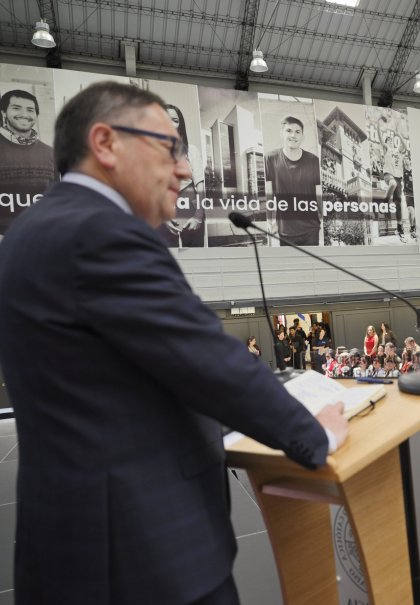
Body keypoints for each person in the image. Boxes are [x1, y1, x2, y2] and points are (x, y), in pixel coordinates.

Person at [0, 82, 349, 605]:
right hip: (142, 557)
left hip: (75, 549)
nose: (184, 169)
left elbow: (114, 385)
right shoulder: (98, 231)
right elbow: (206, 360)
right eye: (169, 148)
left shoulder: (32, 230)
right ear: (105, 143)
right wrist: (313, 434)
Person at [0, 89, 59, 234]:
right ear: (3, 112)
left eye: (30, 110)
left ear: (36, 116)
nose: (24, 114)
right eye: (16, 108)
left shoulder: (51, 153)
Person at [265, 115, 321, 246]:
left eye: (297, 132)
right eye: (289, 131)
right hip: (286, 231)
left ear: (302, 136)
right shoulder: (270, 158)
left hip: (311, 229)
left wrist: (322, 217)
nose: (293, 135)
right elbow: (269, 194)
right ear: (281, 133)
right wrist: (269, 220)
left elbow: (318, 193)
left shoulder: (313, 160)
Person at [156, 104, 204, 247]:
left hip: (191, 212)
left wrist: (198, 216)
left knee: (194, 256)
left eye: (175, 120)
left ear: (180, 125)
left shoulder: (191, 151)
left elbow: (200, 187)